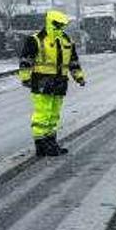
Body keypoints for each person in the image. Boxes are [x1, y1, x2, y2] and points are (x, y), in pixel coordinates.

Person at [18, 9, 86, 157]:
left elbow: (73, 62)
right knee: (43, 114)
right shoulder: (36, 40)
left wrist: (79, 76)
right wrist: (25, 78)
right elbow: (26, 61)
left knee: (54, 114)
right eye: (58, 24)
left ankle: (51, 142)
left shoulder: (67, 41)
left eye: (63, 25)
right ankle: (41, 145)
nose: (61, 28)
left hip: (59, 83)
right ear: (51, 23)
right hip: (42, 82)